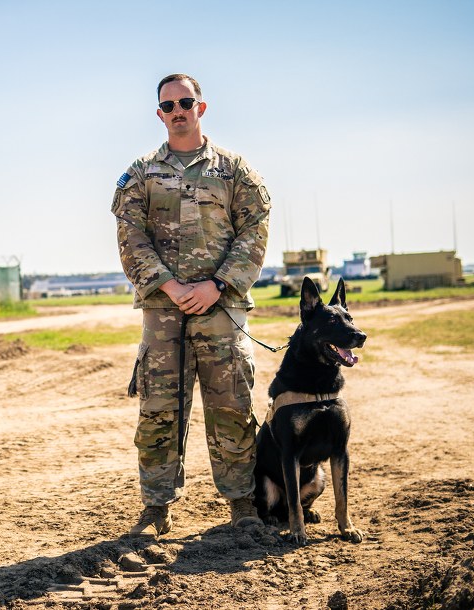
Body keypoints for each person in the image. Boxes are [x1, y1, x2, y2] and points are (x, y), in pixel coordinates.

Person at [112, 73, 271, 537]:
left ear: (201, 107)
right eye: (168, 105)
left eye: (185, 102)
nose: (177, 110)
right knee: (160, 408)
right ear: (159, 114)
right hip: (163, 313)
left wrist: (217, 285)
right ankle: (156, 508)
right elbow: (130, 235)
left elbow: (254, 230)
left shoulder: (234, 170)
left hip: (221, 308)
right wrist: (166, 284)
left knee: (232, 405)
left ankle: (243, 503)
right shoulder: (140, 173)